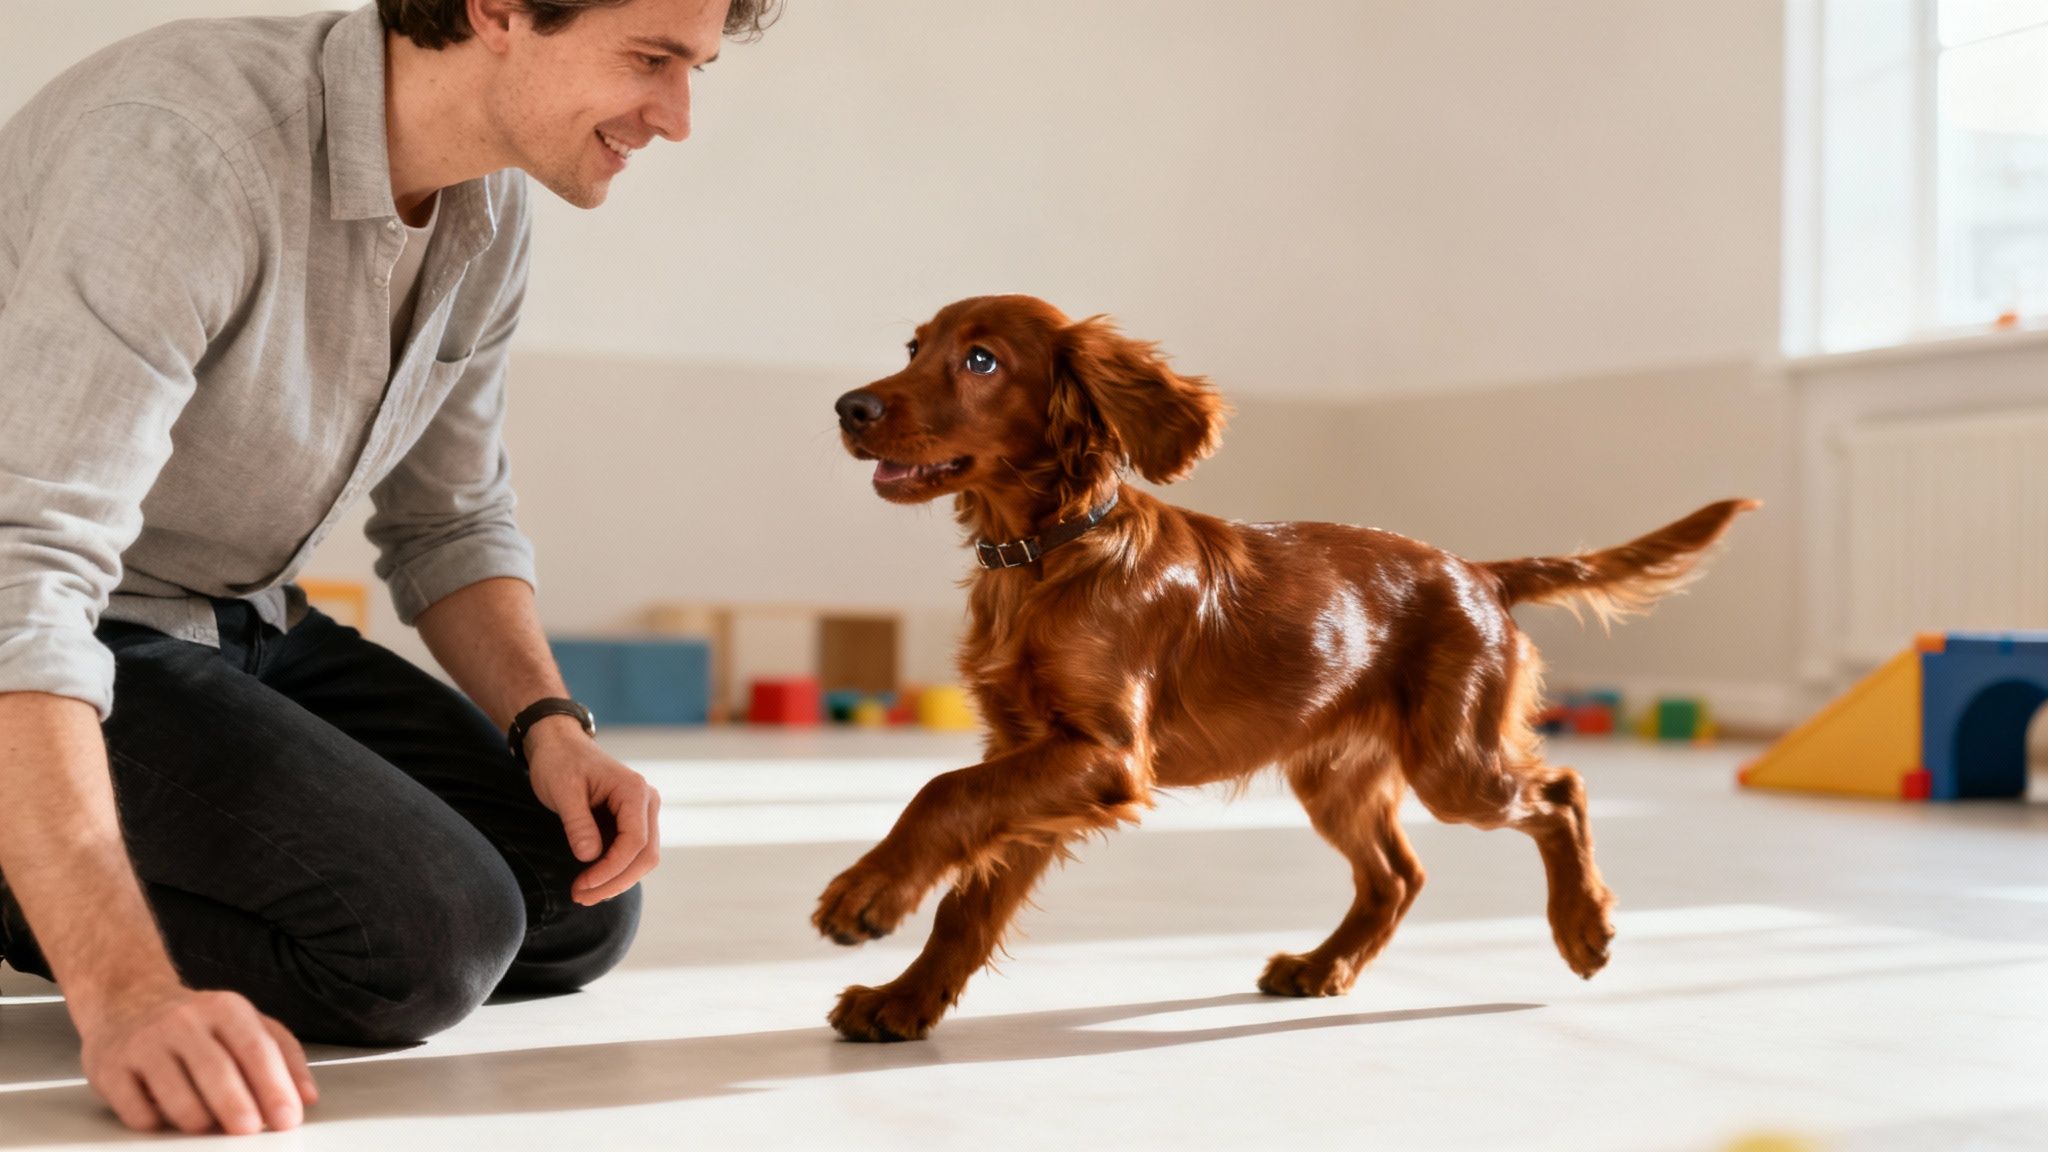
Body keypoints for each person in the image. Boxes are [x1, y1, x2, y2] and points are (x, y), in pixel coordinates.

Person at [0, 0, 776, 1135]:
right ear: (496, 10)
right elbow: (26, 573)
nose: (676, 117)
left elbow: (452, 520)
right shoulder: (180, 147)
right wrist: (125, 991)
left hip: (232, 616)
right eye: (651, 60)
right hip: (57, 618)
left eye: (694, 69)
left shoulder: (490, 204)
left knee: (573, 903)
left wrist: (550, 727)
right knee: (424, 942)